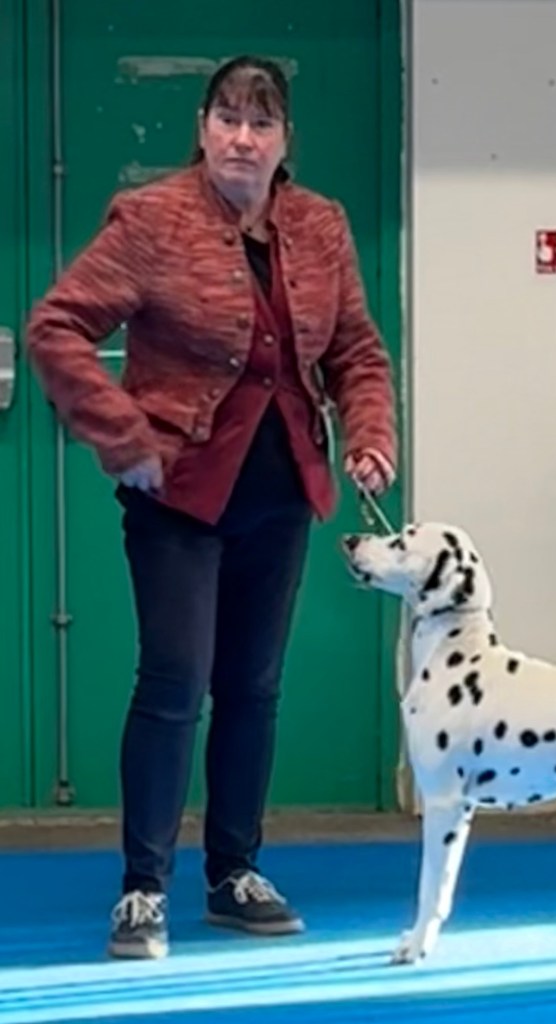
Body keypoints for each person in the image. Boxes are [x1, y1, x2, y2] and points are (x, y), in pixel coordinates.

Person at [26, 55, 398, 960]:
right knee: (174, 682)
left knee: (253, 687)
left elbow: (356, 349)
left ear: (284, 140)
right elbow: (56, 327)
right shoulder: (152, 218)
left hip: (282, 489)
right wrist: (124, 436)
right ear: (201, 129)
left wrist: (370, 435)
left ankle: (235, 872)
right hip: (178, 494)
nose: (242, 137)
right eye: (227, 118)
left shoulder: (321, 225)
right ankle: (142, 888)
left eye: (261, 123)